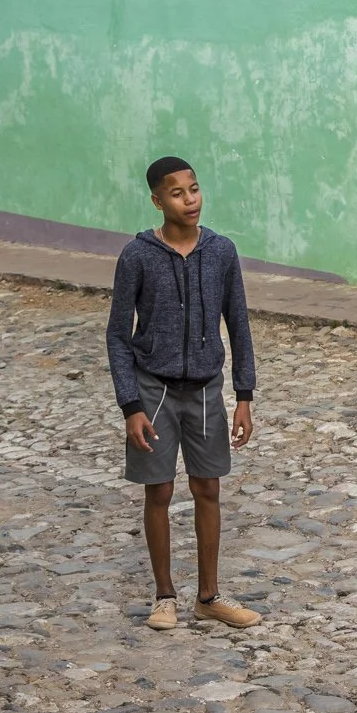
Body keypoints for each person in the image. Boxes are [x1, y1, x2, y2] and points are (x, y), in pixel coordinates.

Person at [107, 156, 262, 632]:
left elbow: (237, 322)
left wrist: (244, 395)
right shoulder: (137, 256)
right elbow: (117, 333)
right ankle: (164, 596)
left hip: (205, 390)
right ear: (157, 200)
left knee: (208, 488)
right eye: (177, 193)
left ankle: (210, 596)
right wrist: (130, 405)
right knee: (160, 491)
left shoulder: (221, 251)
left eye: (194, 189)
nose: (189, 200)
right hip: (153, 390)